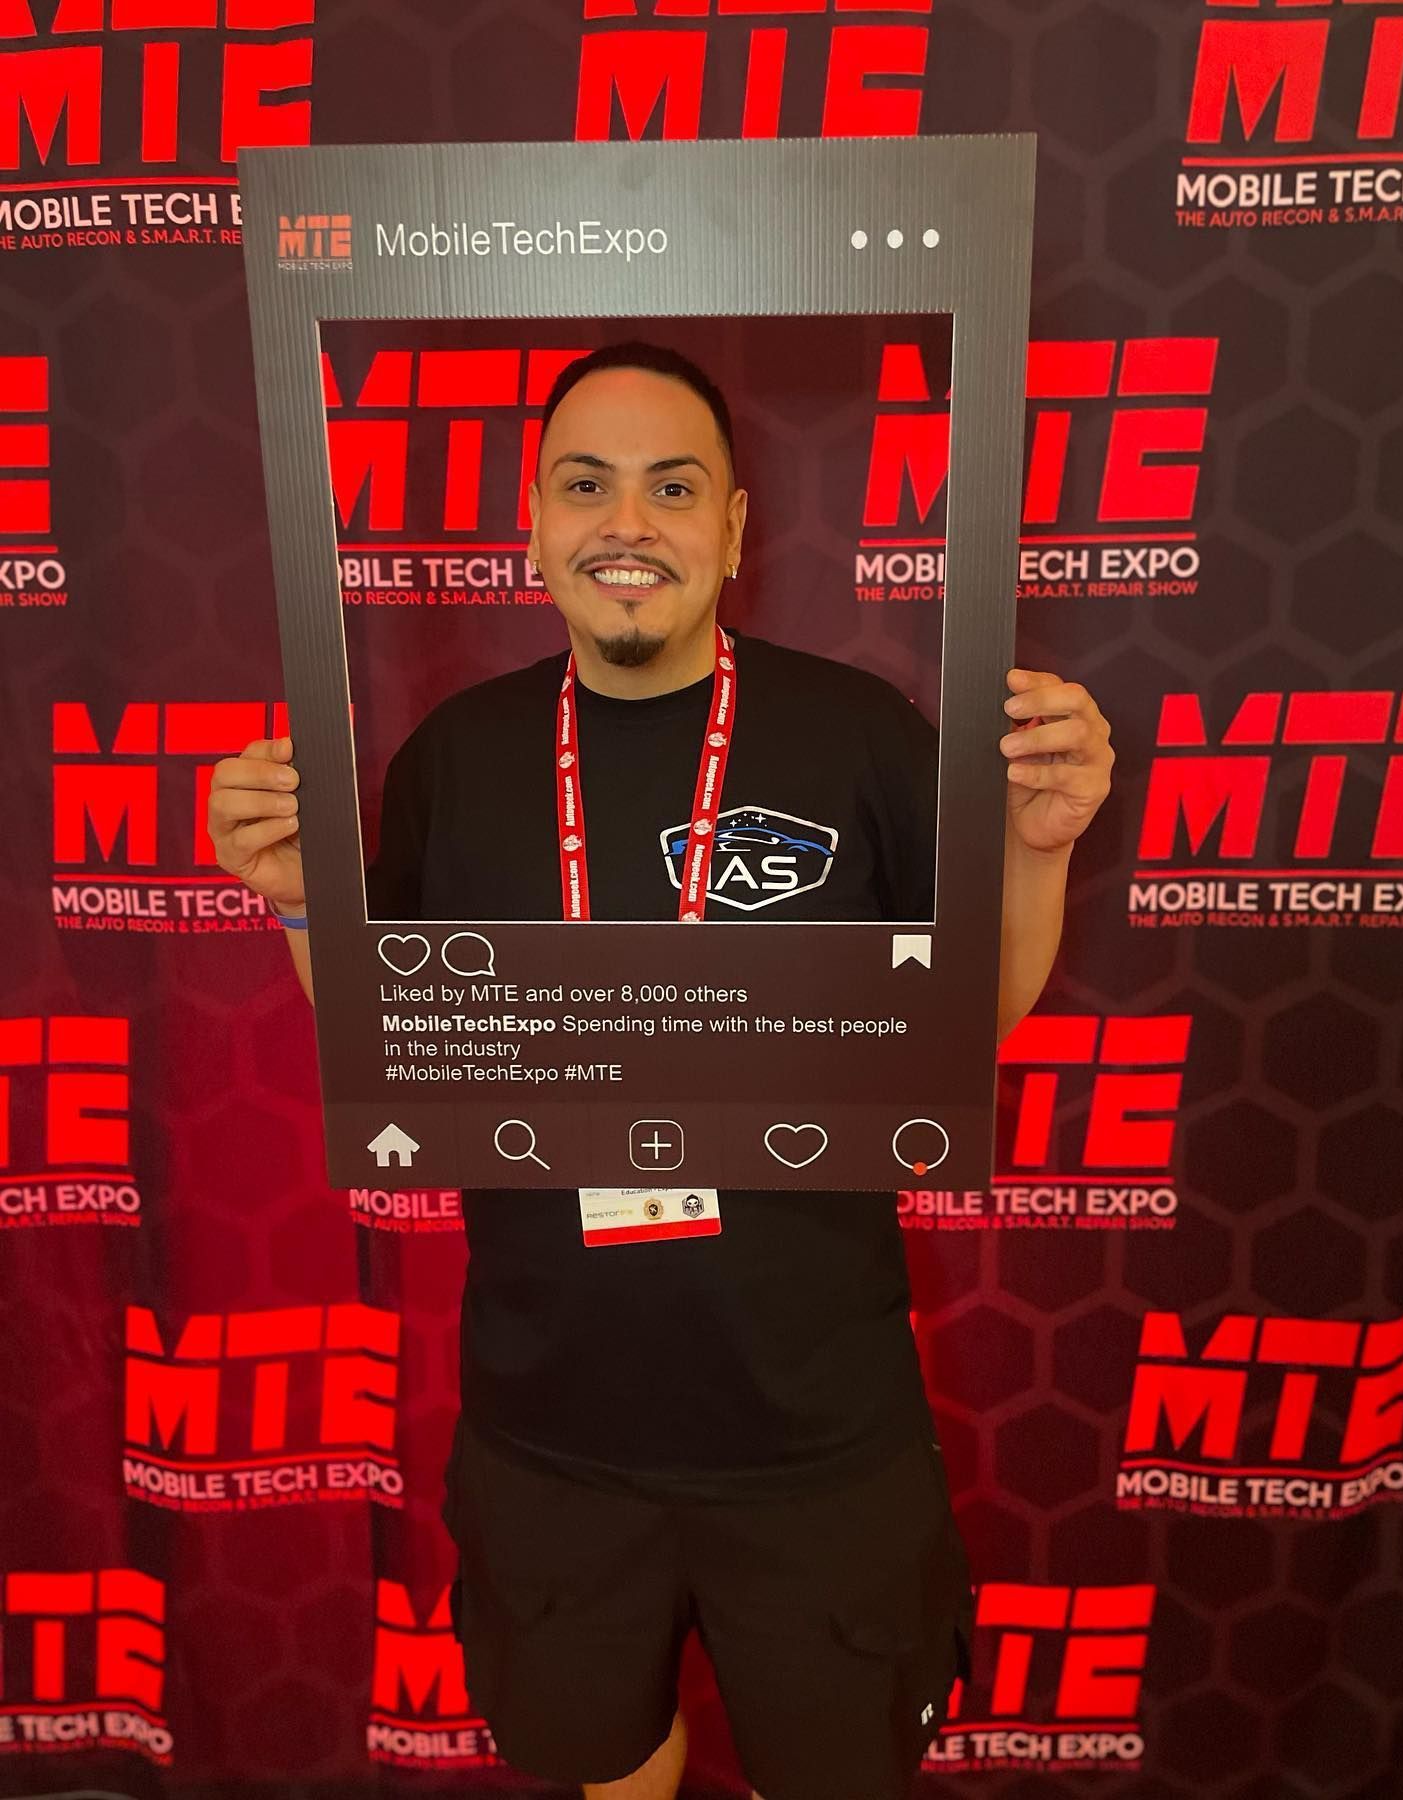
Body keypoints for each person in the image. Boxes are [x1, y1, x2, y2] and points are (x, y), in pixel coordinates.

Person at [209, 341, 1114, 1800]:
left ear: (736, 528)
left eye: (672, 486)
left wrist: (1036, 845)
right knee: (607, 1766)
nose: (627, 522)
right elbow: (391, 1051)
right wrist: (302, 901)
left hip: (819, 1440)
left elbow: (974, 1018)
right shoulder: (455, 758)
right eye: (588, 484)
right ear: (537, 523)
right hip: (552, 1441)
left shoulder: (862, 737)